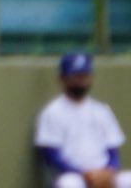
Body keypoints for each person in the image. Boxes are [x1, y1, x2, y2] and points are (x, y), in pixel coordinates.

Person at [34, 52, 131, 188]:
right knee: (69, 184)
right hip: (73, 175)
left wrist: (109, 171)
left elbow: (113, 150)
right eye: (76, 76)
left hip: (103, 173)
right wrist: (84, 174)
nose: (82, 81)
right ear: (62, 79)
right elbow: (51, 155)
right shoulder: (52, 112)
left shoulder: (102, 110)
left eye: (85, 76)